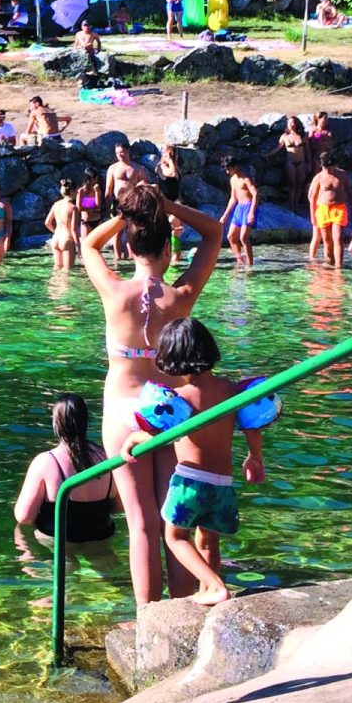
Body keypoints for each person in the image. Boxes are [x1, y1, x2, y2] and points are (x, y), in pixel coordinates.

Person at [81, 191, 225, 603]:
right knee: (171, 519)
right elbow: (214, 233)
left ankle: (147, 616)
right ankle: (180, 610)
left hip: (123, 412)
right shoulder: (181, 297)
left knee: (139, 524)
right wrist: (169, 205)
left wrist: (122, 215)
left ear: (128, 247)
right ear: (169, 247)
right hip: (169, 411)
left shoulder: (115, 292)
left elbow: (88, 243)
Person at [153, 318, 267, 607]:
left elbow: (156, 434)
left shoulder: (180, 399)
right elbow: (252, 425)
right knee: (208, 541)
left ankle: (215, 586)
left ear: (171, 357)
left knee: (175, 537)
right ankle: (208, 590)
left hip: (190, 482)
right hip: (223, 484)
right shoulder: (231, 390)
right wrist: (255, 458)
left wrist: (132, 441)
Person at [13, 393, 118, 544]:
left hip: (60, 539)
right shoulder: (107, 459)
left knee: (24, 544)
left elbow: (25, 517)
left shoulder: (46, 462)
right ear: (86, 422)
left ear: (56, 423)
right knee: (104, 562)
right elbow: (119, 506)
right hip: (102, 534)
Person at [307, 156, 352, 269]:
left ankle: (338, 265)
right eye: (325, 168)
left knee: (338, 238)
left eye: (330, 168)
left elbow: (349, 191)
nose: (327, 170)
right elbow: (312, 197)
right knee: (327, 240)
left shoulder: (342, 174)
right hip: (323, 209)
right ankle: (329, 261)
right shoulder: (319, 177)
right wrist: (313, 216)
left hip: (338, 208)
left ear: (334, 166)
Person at [220, 158, 257, 268]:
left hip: (248, 207)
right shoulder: (232, 180)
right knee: (231, 236)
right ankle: (240, 261)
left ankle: (250, 265)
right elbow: (233, 198)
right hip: (239, 208)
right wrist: (225, 215)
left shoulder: (246, 178)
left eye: (229, 169)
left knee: (243, 238)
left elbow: (255, 194)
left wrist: (252, 212)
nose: (227, 172)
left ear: (235, 166)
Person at [46, 180, 82, 271]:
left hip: (56, 239)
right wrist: (79, 247)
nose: (78, 193)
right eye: (77, 191)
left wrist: (55, 232)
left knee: (57, 268)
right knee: (68, 271)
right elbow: (73, 229)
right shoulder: (73, 208)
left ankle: (53, 285)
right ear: (72, 191)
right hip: (67, 239)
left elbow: (47, 223)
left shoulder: (56, 204)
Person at [277, 116, 310, 206]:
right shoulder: (284, 136)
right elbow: (277, 148)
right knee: (292, 185)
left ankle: (296, 205)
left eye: (292, 123)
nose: (290, 125)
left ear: (296, 124)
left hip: (302, 162)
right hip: (290, 162)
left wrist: (309, 163)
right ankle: (292, 206)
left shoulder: (303, 135)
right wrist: (266, 155)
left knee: (300, 185)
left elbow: (307, 151)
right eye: (289, 123)